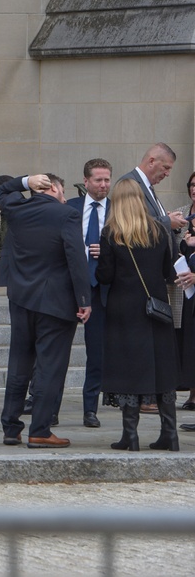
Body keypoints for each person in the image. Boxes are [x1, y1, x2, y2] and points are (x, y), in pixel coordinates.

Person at [0, 173, 91, 448]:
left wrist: (25, 181)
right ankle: (39, 429)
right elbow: (76, 258)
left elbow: (3, 190)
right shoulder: (67, 214)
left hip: (21, 297)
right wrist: (84, 299)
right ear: (55, 188)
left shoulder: (17, 209)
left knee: (19, 363)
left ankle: (10, 427)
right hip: (55, 302)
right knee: (50, 367)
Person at [97, 178, 182, 451]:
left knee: (127, 369)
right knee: (161, 366)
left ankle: (130, 436)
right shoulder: (159, 229)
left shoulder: (112, 233)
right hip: (157, 307)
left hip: (124, 310)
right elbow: (168, 272)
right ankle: (170, 434)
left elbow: (106, 275)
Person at [66, 158, 112, 428]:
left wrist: (108, 249)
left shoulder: (117, 210)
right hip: (70, 287)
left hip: (100, 290)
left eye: (107, 180)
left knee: (97, 353)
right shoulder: (70, 208)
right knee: (55, 352)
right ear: (86, 181)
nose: (104, 185)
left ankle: (90, 409)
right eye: (98, 180)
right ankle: (48, 406)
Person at [119, 142, 186, 236]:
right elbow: (131, 224)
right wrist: (167, 222)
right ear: (151, 162)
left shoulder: (147, 185)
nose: (167, 174)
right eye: (166, 167)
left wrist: (166, 218)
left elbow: (148, 218)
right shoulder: (128, 184)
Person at [176, 171, 195, 412]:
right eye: (191, 185)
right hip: (184, 289)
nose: (194, 189)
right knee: (189, 341)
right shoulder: (180, 212)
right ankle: (192, 393)